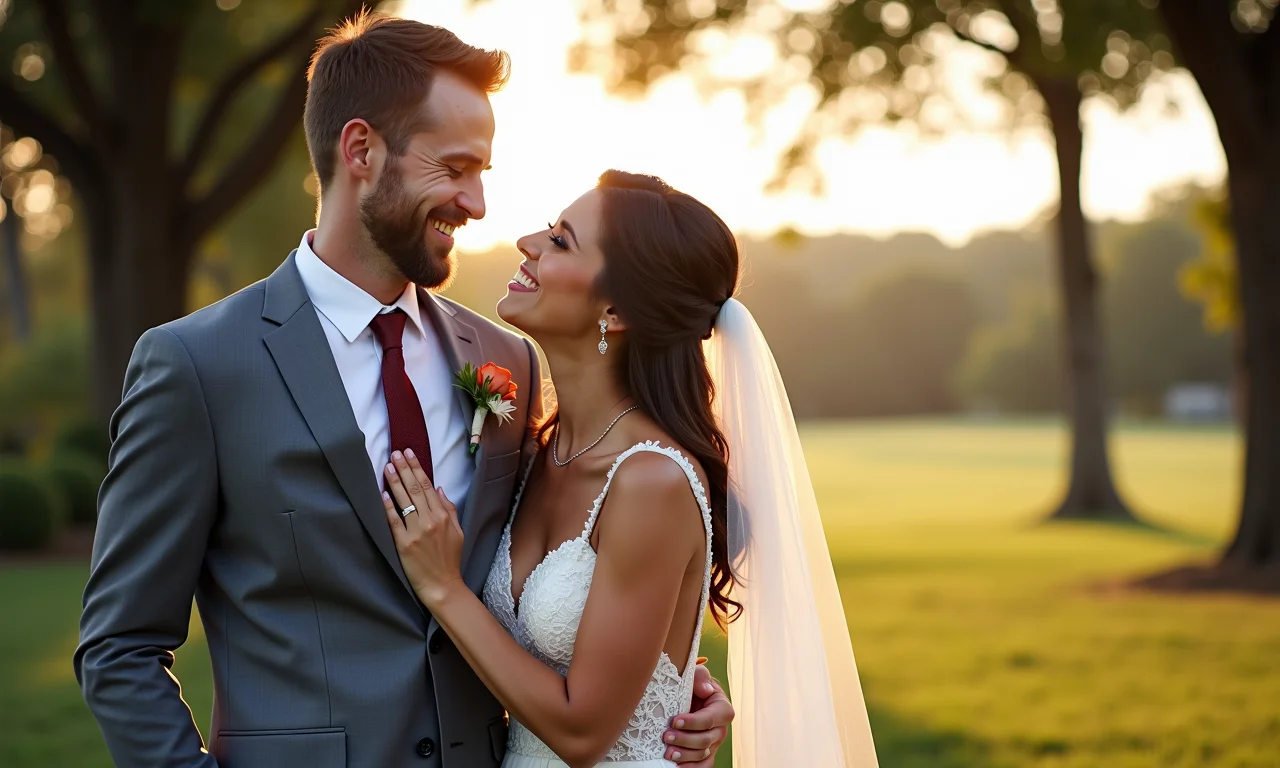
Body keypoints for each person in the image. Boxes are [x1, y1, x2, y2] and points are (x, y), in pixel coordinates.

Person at [74, 15, 731, 768]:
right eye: (455, 168)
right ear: (361, 151)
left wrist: (668, 684)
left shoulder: (506, 359)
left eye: (483, 172)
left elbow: (566, 581)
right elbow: (120, 647)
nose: (478, 203)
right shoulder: (198, 366)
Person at [383, 171, 880, 767]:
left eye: (561, 241)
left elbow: (582, 733)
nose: (527, 244)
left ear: (616, 310)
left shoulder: (652, 480)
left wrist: (443, 587)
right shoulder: (538, 448)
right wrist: (678, 683)